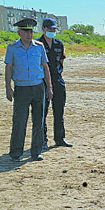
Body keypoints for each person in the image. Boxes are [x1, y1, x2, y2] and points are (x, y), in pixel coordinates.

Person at [5, 18, 53, 161]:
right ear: (19, 32)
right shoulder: (12, 48)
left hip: (38, 87)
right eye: (25, 32)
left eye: (31, 32)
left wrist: (49, 87)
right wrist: (8, 87)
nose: (29, 35)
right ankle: (16, 153)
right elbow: (9, 68)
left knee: (38, 121)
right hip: (21, 88)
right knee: (19, 121)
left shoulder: (39, 47)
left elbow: (45, 67)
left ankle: (36, 151)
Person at [36, 18, 72, 150]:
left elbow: (61, 61)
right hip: (42, 81)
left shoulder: (59, 44)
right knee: (42, 113)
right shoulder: (38, 44)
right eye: (49, 29)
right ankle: (42, 140)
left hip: (57, 80)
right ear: (43, 29)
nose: (52, 31)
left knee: (59, 111)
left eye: (54, 29)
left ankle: (60, 138)